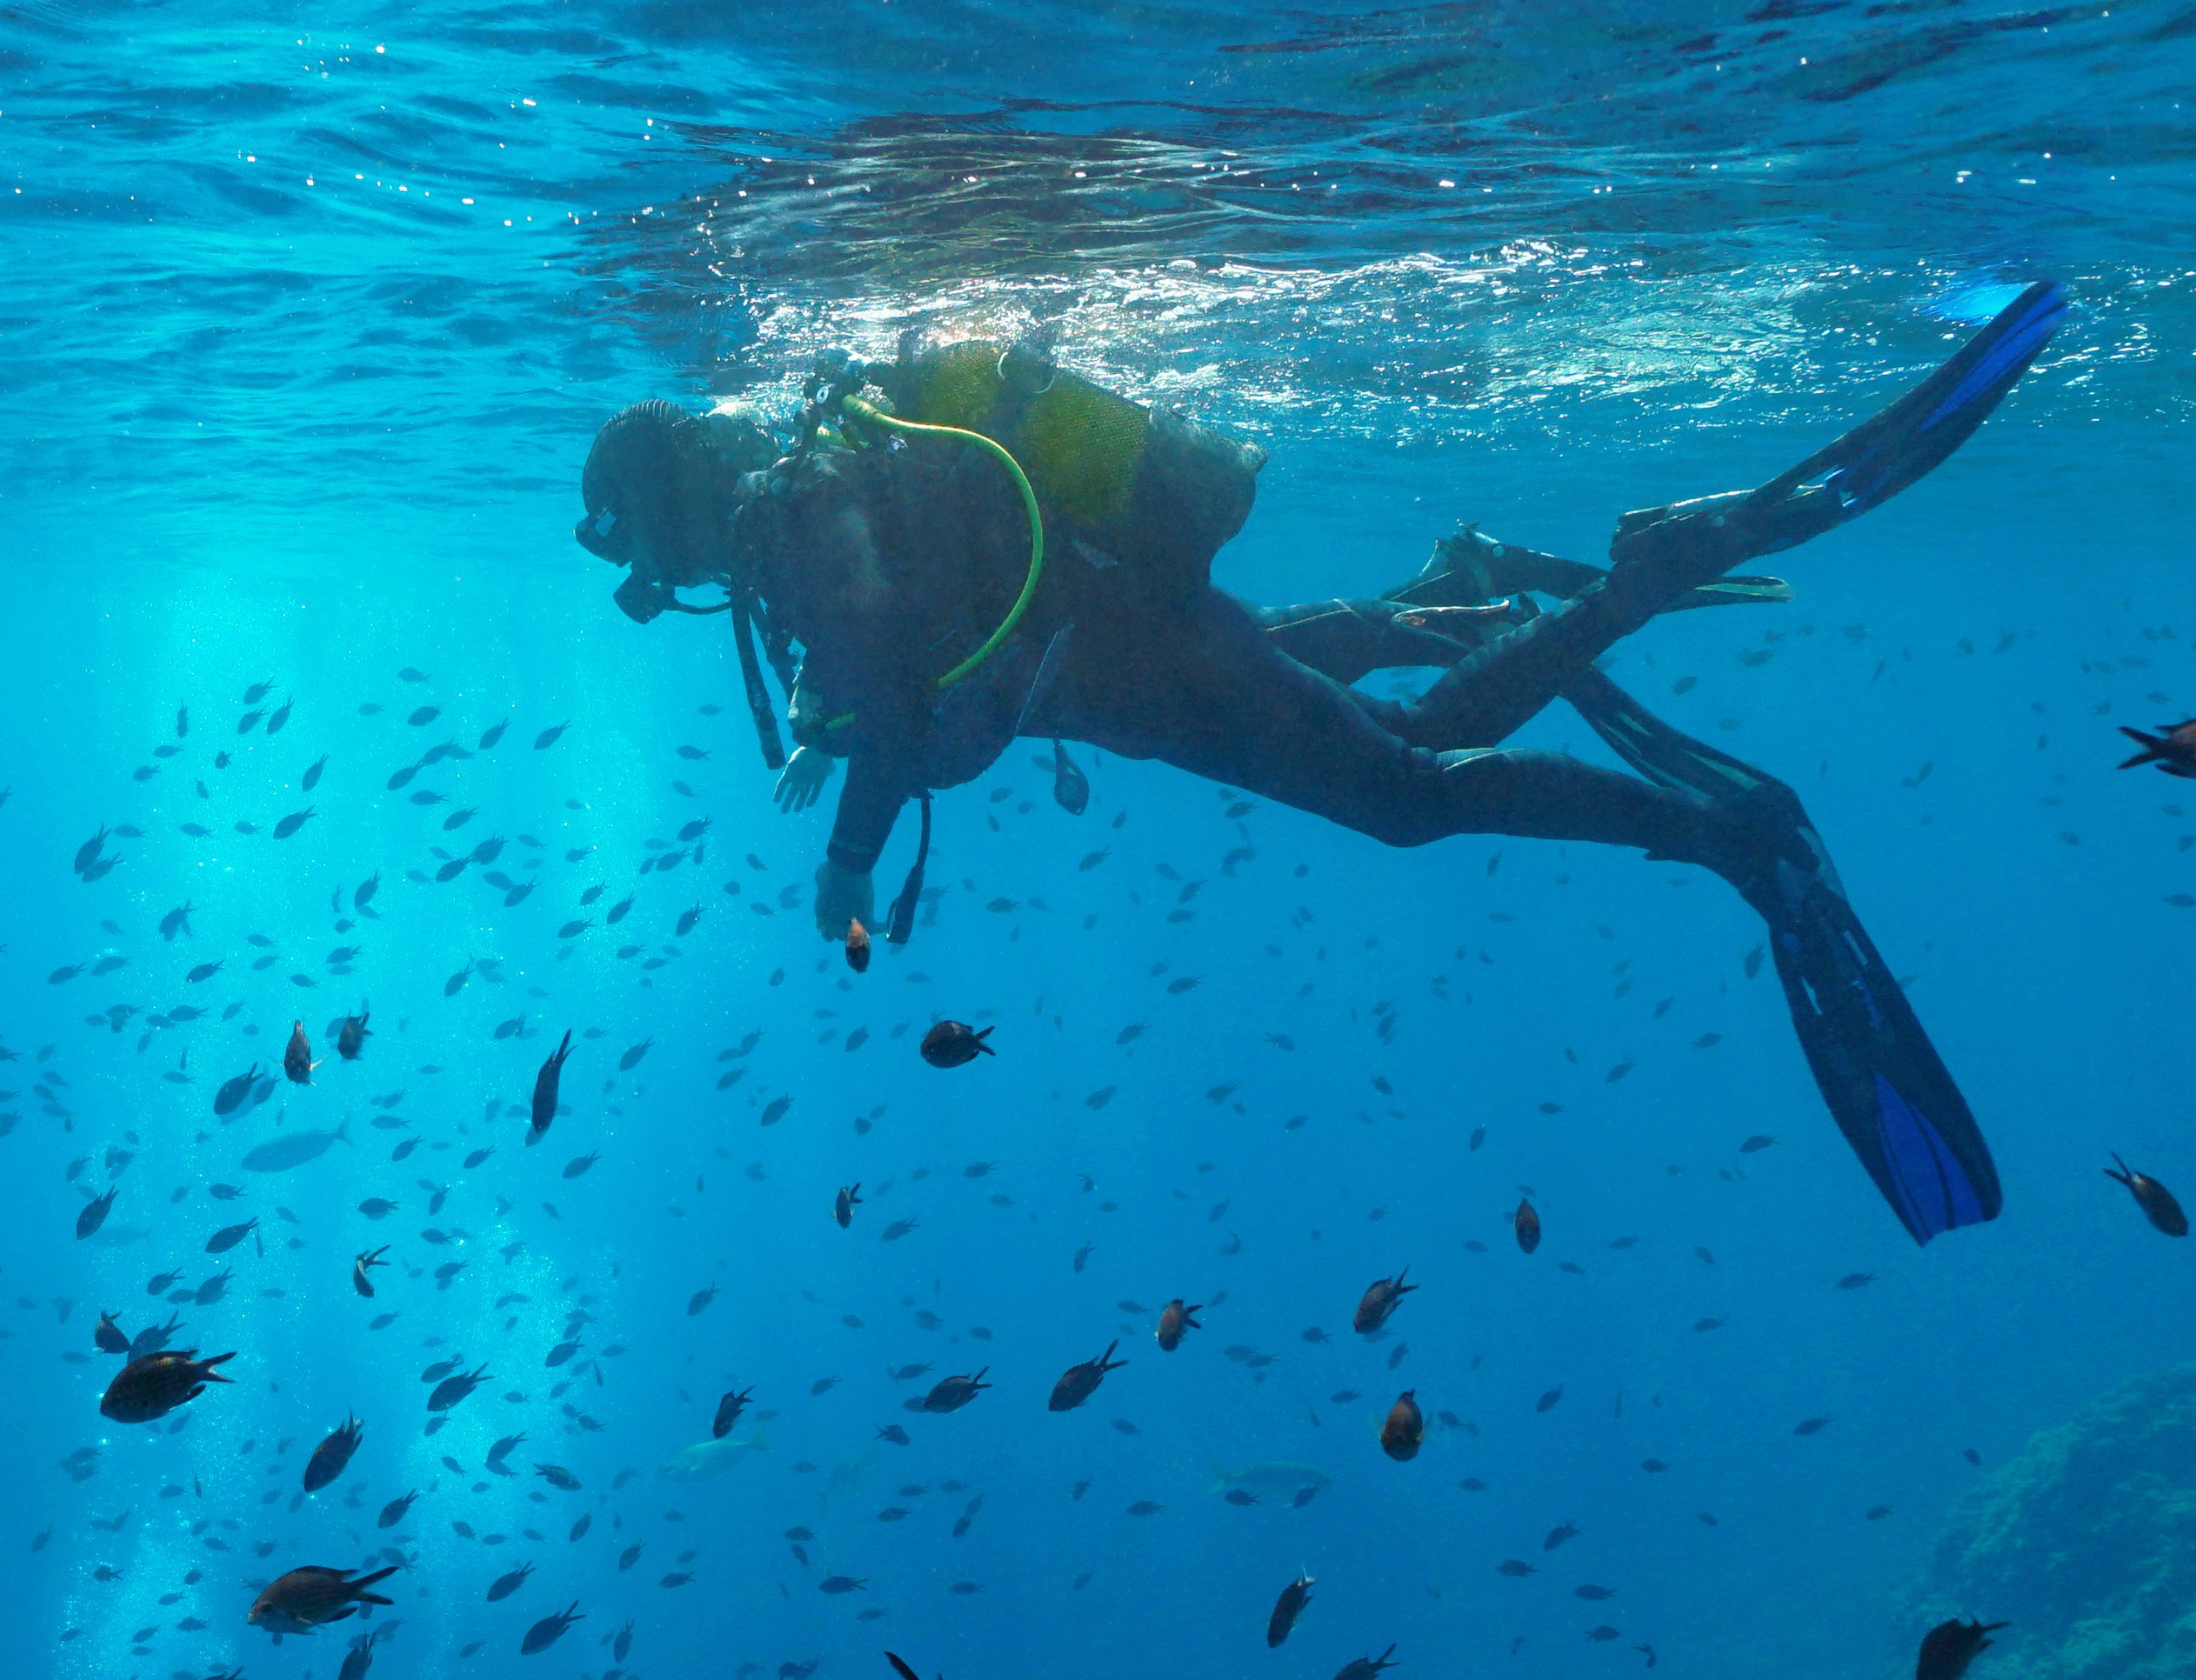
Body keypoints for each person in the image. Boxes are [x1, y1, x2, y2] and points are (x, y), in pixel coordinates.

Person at [570, 287, 2068, 1242]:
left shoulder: (797, 519)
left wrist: (843, 856)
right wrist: (853, 743)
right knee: (1332, 703)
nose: (654, 571)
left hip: (1150, 669)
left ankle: (1702, 747)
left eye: (638, 540)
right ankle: (1456, 591)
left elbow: (901, 712)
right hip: (1146, 660)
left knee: (1411, 789)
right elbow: (912, 669)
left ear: (672, 504)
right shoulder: (819, 487)